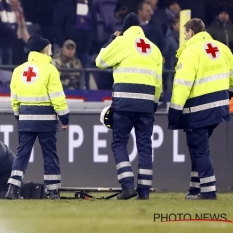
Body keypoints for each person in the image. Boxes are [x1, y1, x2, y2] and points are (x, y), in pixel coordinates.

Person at [95, 13, 163, 200]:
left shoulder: (121, 42)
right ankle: (144, 191)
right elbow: (158, 82)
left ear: (124, 29)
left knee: (119, 143)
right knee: (145, 146)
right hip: (146, 105)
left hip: (124, 104)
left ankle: (127, 186)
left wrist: (111, 40)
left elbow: (100, 62)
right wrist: (154, 103)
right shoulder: (154, 49)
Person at [168, 18, 233, 200]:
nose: (185, 38)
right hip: (219, 109)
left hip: (197, 109)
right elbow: (231, 79)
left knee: (199, 149)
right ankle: (195, 188)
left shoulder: (190, 52)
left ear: (192, 32)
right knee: (198, 147)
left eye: (185, 34)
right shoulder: (223, 49)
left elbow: (182, 85)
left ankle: (208, 190)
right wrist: (226, 97)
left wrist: (174, 112)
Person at [5, 34, 69, 200]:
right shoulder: (50, 69)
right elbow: (57, 96)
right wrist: (64, 116)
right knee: (49, 154)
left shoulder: (18, 70)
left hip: (26, 118)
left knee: (22, 154)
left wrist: (18, 115)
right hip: (46, 119)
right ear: (44, 49)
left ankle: (12, 188)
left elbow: (14, 97)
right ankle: (53, 191)